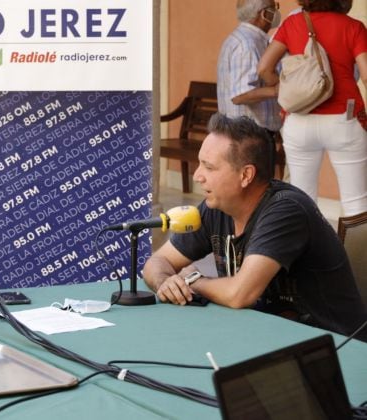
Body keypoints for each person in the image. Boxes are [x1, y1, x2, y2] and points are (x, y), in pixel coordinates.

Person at [143, 113, 367, 341]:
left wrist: (193, 280)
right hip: (265, 338)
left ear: (246, 175)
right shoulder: (216, 207)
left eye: (209, 167)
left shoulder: (286, 211)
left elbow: (240, 294)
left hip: (332, 349)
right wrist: (167, 282)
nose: (198, 175)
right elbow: (158, 262)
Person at [257, 0, 367, 217]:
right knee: (356, 201)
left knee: (302, 198)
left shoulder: (292, 24)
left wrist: (285, 89)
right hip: (344, 119)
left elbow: (263, 69)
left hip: (299, 118)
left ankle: (306, 251)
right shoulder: (353, 27)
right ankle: (359, 251)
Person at [217, 0, 282, 136]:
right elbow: (240, 96)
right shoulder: (247, 44)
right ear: (264, 13)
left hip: (247, 133)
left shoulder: (244, 39)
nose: (276, 12)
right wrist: (278, 90)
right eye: (274, 8)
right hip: (249, 135)